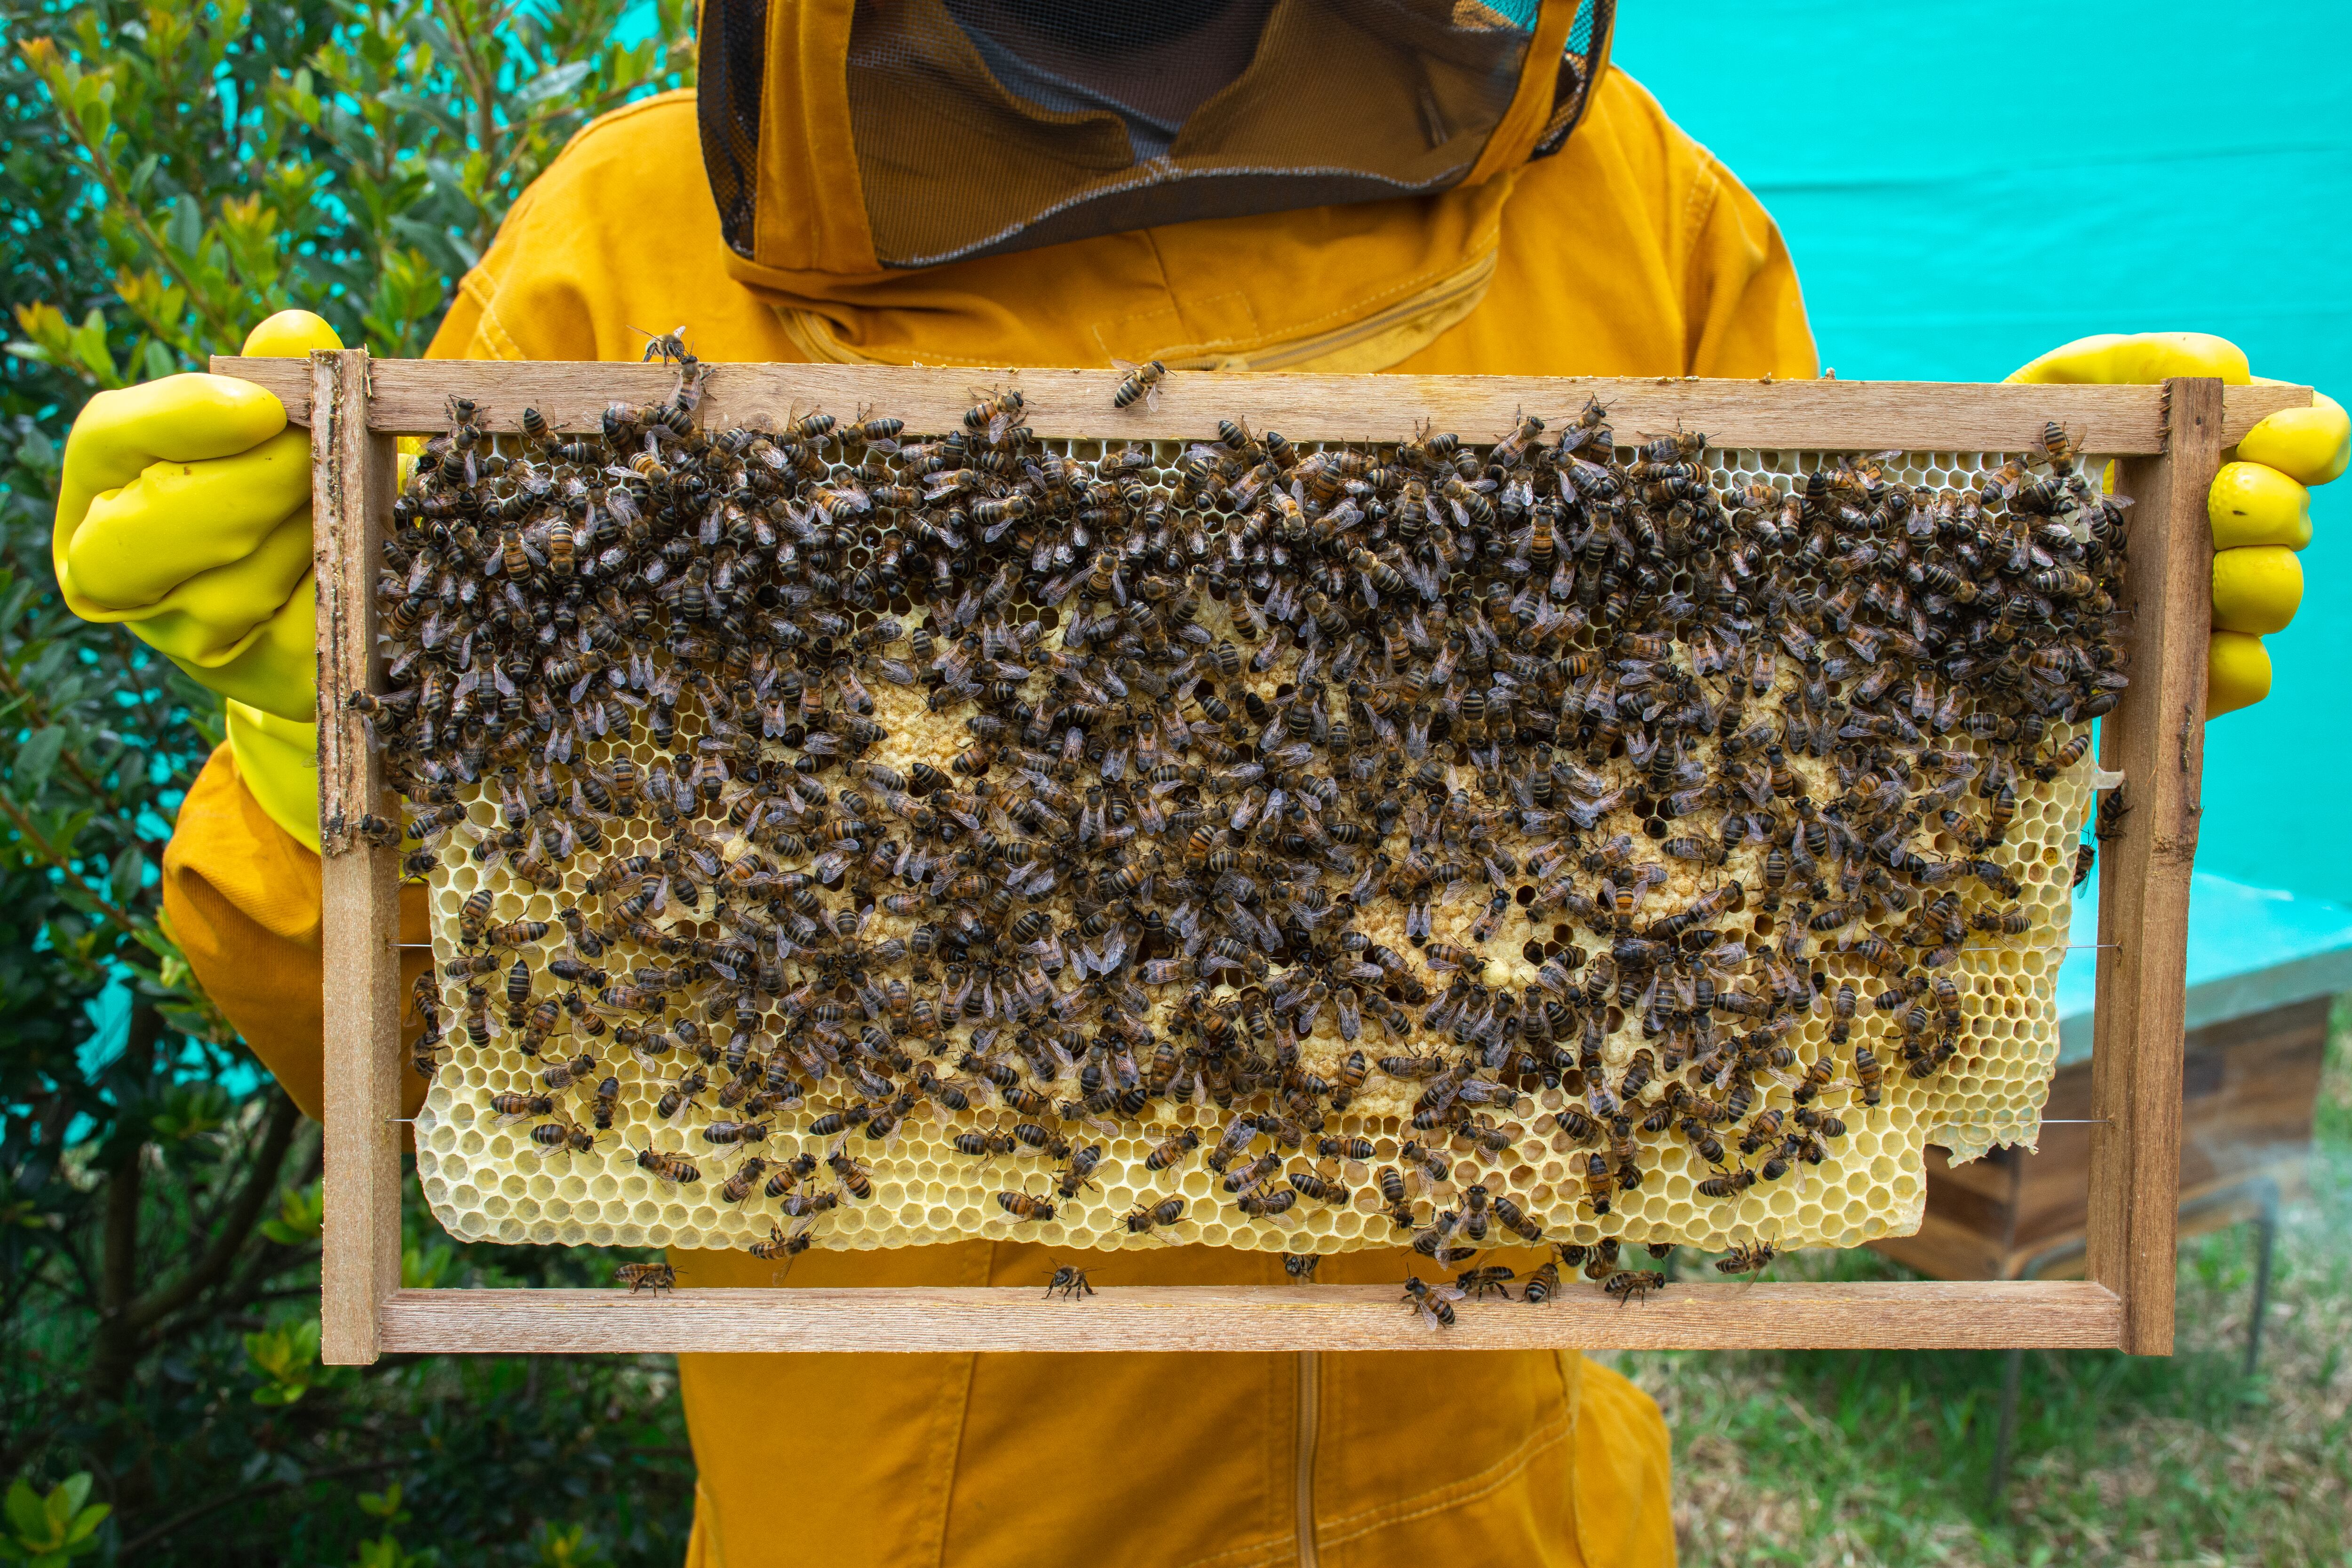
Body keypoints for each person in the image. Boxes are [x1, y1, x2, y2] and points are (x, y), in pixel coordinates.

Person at [51, 3, 2345, 1564]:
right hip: (912, 1528)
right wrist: (323, 752)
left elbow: (1764, 945)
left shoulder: (1627, 208)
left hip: (1503, 1504)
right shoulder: (627, 254)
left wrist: (1999, 646)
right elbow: (436, 1063)